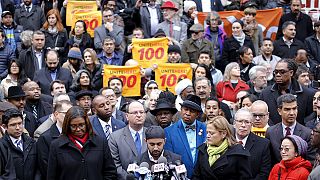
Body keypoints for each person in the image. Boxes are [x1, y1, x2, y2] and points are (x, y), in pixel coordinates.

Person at [47, 106, 117, 180]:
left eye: (81, 125)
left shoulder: (100, 142)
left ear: (87, 123)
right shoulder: (57, 145)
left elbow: (110, 172)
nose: (78, 129)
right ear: (67, 125)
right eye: (73, 126)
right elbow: (52, 175)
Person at [260, 59, 314, 125]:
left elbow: (310, 118)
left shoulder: (307, 94)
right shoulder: (265, 93)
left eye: (282, 72)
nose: (278, 75)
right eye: (276, 72)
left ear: (291, 73)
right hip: (273, 132)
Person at [265, 94, 316, 165]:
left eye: (294, 108)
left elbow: (311, 161)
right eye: (287, 109)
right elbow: (268, 160)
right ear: (279, 111)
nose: (292, 113)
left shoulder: (307, 133)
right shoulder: (270, 132)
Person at [164, 95, 207, 178]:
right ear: (181, 110)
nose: (187, 113)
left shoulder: (205, 129)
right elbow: (169, 158)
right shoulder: (169, 131)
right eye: (185, 109)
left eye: (192, 111)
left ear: (197, 114)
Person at [108, 101, 147, 179]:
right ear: (127, 116)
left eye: (141, 112)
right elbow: (116, 165)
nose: (139, 115)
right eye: (135, 113)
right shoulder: (115, 137)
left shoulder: (151, 134)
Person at [0, 108, 40, 180]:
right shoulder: (2, 146)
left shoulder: (32, 143)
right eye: (13, 125)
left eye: (20, 123)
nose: (18, 128)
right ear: (5, 127)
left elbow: (38, 168)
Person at [36, 100, 72, 179]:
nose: (71, 117)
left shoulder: (76, 134)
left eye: (72, 114)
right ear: (56, 114)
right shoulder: (45, 138)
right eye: (67, 114)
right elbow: (46, 167)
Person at [234, 108, 271, 180]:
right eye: (240, 121)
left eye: (247, 122)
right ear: (234, 123)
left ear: (251, 124)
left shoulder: (263, 144)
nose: (243, 125)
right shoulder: (226, 141)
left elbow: (264, 173)